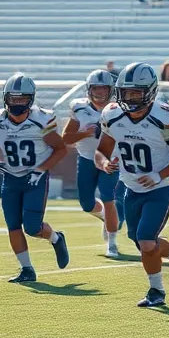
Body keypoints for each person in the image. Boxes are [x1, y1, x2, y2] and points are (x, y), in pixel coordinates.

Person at [96, 63, 169, 307]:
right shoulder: (113, 115)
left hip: (162, 185)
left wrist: (160, 175)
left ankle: (156, 291)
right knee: (140, 241)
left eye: (135, 93)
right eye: (126, 92)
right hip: (131, 186)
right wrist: (105, 163)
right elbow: (101, 151)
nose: (129, 98)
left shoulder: (164, 118)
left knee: (147, 240)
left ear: (149, 92)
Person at [0, 73, 70, 283]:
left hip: (35, 178)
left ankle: (56, 238)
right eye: (14, 98)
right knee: (13, 225)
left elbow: (60, 149)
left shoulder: (41, 120)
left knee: (32, 227)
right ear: (6, 98)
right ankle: (27, 269)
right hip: (11, 179)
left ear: (30, 99)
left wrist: (41, 170)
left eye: (22, 99)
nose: (17, 103)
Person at [60, 70, 122, 258]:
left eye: (104, 88)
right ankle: (105, 218)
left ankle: (112, 243)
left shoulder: (118, 109)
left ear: (111, 89)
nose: (100, 92)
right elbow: (66, 138)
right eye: (96, 88)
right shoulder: (79, 108)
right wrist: (84, 133)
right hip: (87, 159)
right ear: (89, 89)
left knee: (108, 197)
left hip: (110, 159)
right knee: (87, 204)